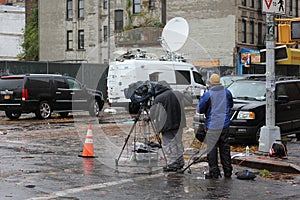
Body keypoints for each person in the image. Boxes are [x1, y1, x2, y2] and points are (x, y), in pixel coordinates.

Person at [196, 73, 233, 178]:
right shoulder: (227, 92)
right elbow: (231, 104)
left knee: (212, 150)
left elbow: (200, 109)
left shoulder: (208, 94)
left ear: (211, 83)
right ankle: (228, 171)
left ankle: (214, 172)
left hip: (212, 126)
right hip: (224, 125)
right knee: (225, 148)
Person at [150, 80, 191, 172]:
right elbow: (189, 102)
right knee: (178, 143)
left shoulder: (159, 98)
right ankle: (180, 162)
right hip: (179, 124)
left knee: (169, 144)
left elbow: (153, 114)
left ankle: (172, 164)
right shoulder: (177, 93)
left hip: (167, 125)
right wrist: (186, 93)